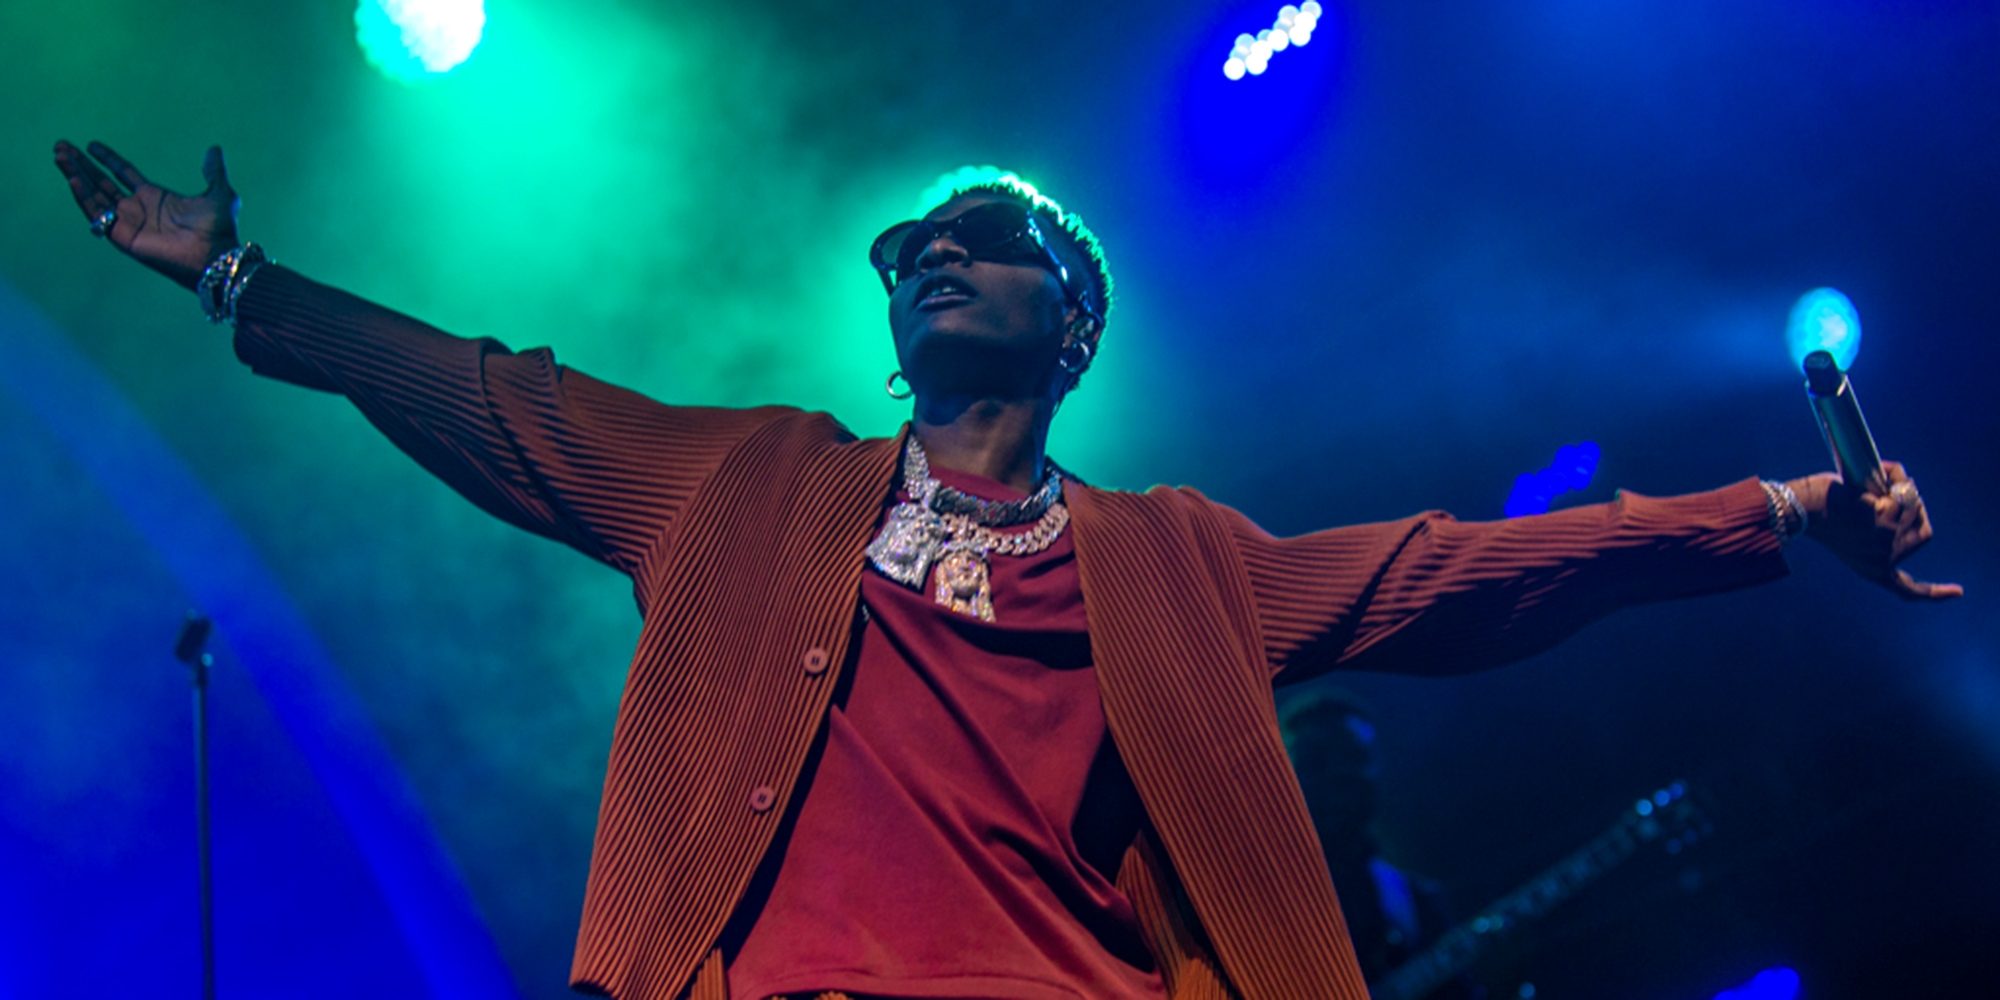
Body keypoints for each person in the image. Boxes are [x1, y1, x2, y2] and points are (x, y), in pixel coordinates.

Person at [52, 139, 1958, 1000]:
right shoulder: (747, 483)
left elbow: (1460, 569)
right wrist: (242, 282)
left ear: (1075, 322)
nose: (932, 255)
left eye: (980, 237)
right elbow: (487, 396)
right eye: (910, 249)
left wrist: (1784, 514)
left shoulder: (1180, 563)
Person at [1280, 692, 1478, 999]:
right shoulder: (1244, 893)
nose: (1340, 774)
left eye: (1354, 758)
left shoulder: (1415, 899)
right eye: (1316, 760)